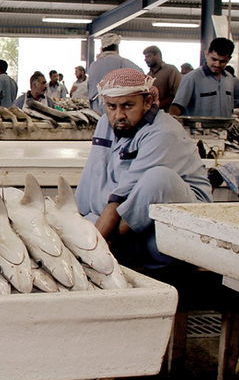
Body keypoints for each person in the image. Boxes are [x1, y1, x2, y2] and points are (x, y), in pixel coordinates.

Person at [76, 69, 211, 267]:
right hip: (130, 214)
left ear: (147, 102)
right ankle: (109, 243)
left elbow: (122, 194)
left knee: (158, 178)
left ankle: (110, 245)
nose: (119, 115)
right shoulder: (106, 122)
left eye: (128, 106)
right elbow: (94, 171)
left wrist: (90, 251)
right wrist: (80, 217)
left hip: (183, 216)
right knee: (85, 223)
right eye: (111, 106)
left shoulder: (164, 132)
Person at [170, 38, 239, 118]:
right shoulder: (192, 78)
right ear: (207, 54)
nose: (217, 64)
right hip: (199, 129)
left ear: (229, 59)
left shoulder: (229, 78)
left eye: (222, 61)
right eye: (214, 59)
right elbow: (176, 108)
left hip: (224, 129)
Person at [86, 33, 141, 114]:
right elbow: (142, 82)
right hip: (117, 109)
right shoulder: (124, 62)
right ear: (117, 47)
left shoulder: (93, 65)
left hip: (96, 110)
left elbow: (89, 87)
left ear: (102, 48)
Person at [142, 45, 181, 111]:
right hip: (151, 113)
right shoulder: (148, 75)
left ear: (157, 56)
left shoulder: (171, 70)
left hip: (167, 113)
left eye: (148, 56)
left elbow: (177, 94)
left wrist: (158, 105)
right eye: (145, 57)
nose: (145, 59)